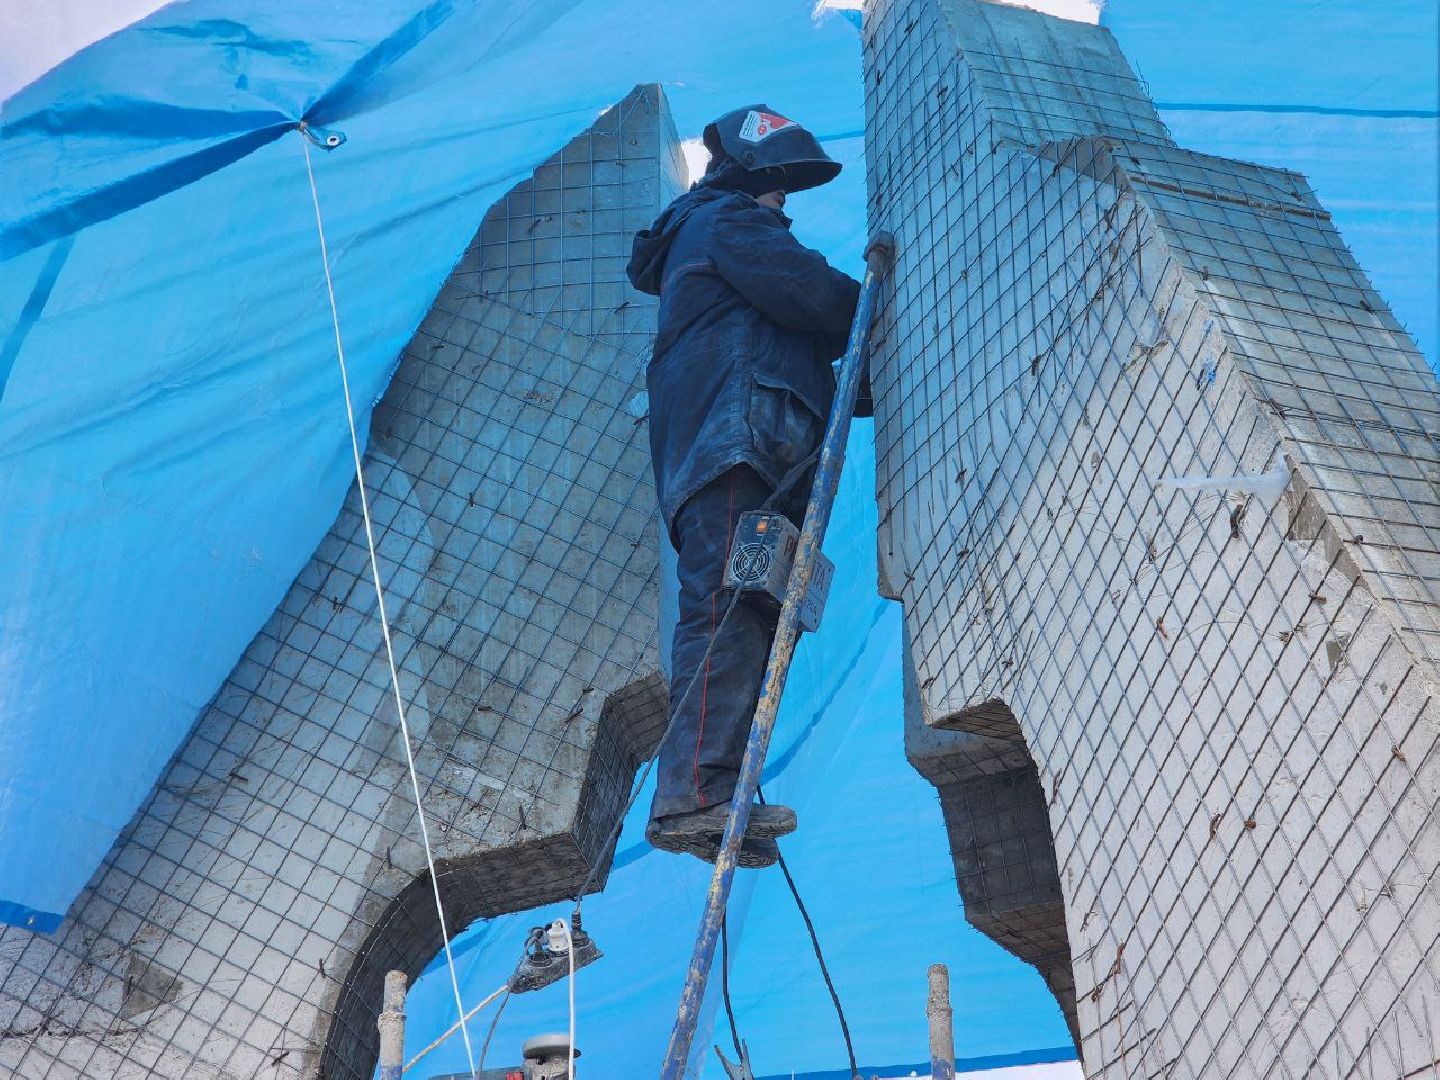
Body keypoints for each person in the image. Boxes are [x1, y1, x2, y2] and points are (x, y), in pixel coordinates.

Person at [626, 106, 863, 868]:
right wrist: (896, 308)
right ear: (745, 177)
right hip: (736, 446)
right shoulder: (724, 221)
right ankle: (696, 792)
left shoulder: (722, 251)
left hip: (758, 450)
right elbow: (818, 298)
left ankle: (714, 789)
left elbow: (821, 349)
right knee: (728, 608)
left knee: (753, 614)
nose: (784, 205)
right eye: (779, 188)